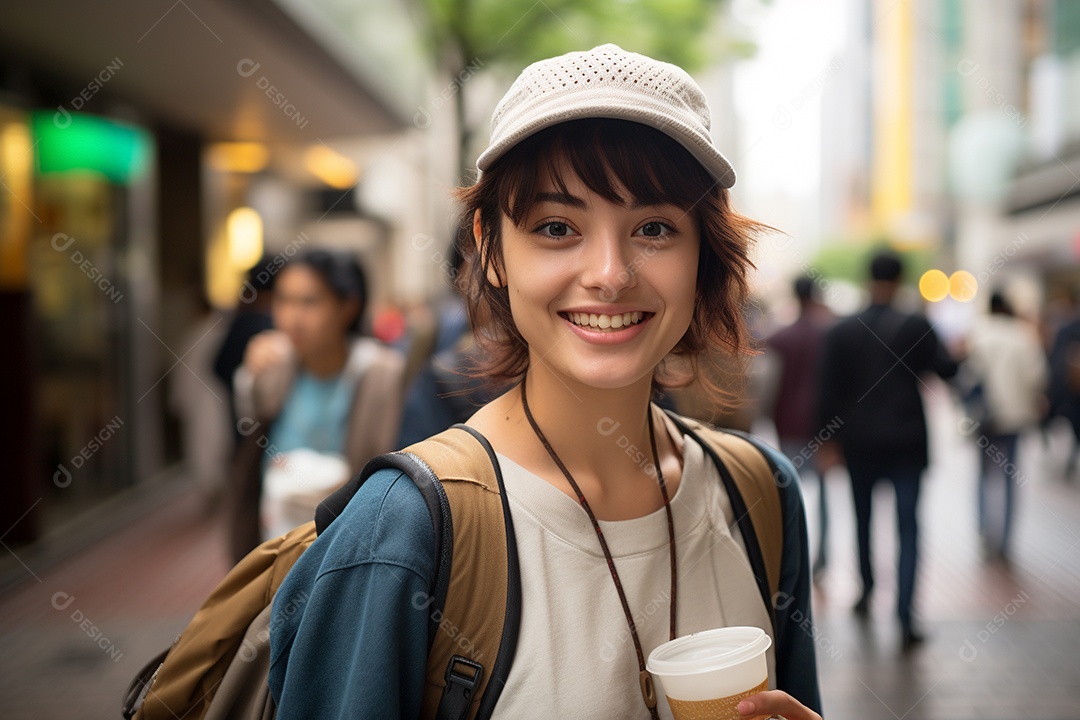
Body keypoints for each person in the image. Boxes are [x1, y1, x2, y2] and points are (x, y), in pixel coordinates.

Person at [268, 44, 822, 719]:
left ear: (701, 253)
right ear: (490, 249)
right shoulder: (403, 530)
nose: (611, 273)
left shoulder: (759, 494)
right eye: (557, 228)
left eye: (654, 228)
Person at [817, 250, 957, 649]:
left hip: (859, 441)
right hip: (907, 441)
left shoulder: (843, 330)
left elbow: (828, 391)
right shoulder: (916, 324)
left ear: (868, 277)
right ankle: (905, 614)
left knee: (862, 519)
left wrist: (826, 441)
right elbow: (946, 370)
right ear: (899, 281)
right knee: (908, 526)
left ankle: (866, 592)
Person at [229, 248, 405, 560]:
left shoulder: (381, 374)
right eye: (283, 301)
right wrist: (250, 372)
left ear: (347, 307)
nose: (293, 317)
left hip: (352, 544)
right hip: (277, 542)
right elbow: (246, 429)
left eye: (309, 302)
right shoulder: (273, 367)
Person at [963, 291, 1047, 560]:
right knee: (1011, 476)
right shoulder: (1023, 334)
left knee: (982, 475)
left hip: (983, 416)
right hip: (1013, 416)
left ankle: (984, 530)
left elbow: (964, 375)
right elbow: (1037, 376)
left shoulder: (977, 332)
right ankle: (1006, 540)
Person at [765, 275, 834, 578]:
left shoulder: (780, 337)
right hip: (824, 425)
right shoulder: (829, 334)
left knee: (792, 490)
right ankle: (822, 558)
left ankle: (796, 556)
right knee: (824, 491)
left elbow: (768, 384)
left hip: (788, 422)